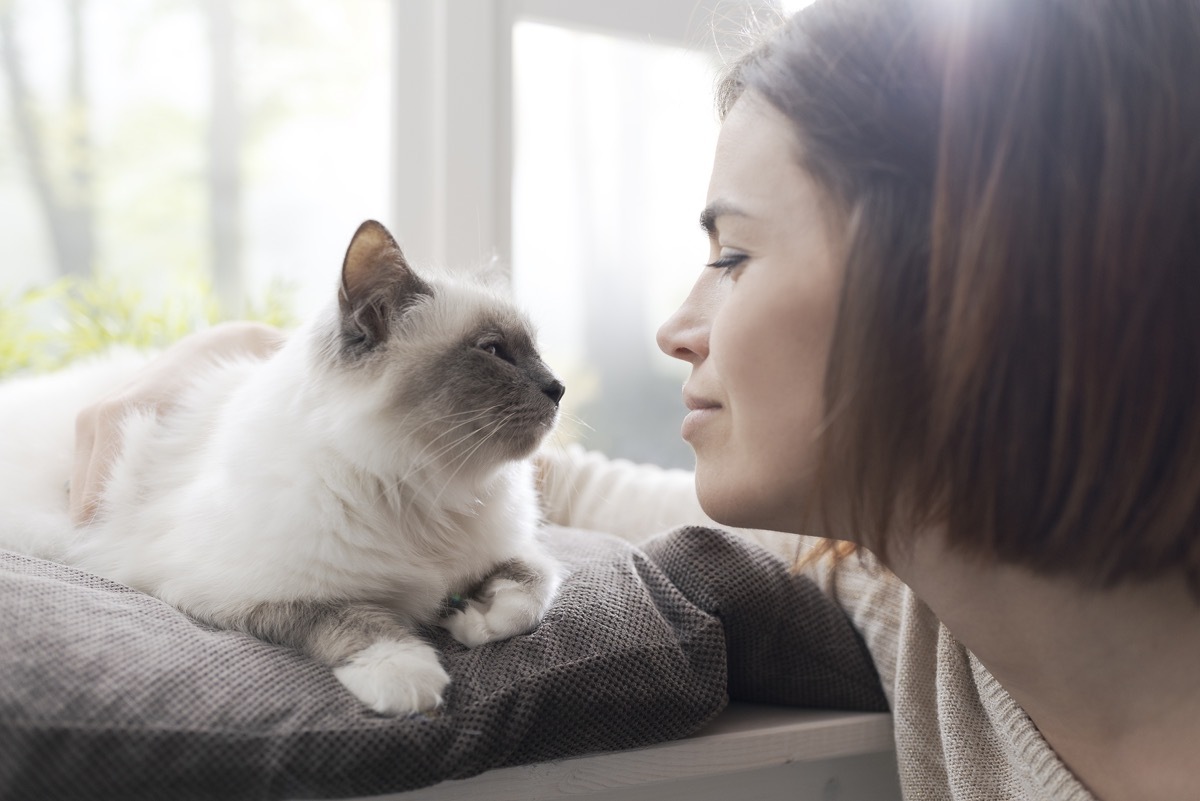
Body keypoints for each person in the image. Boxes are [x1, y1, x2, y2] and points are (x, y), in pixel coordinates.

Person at [69, 0, 1200, 798]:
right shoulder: (905, 594)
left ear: (967, 281)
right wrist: (246, 363)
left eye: (734, 256)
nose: (675, 327)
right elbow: (521, 474)